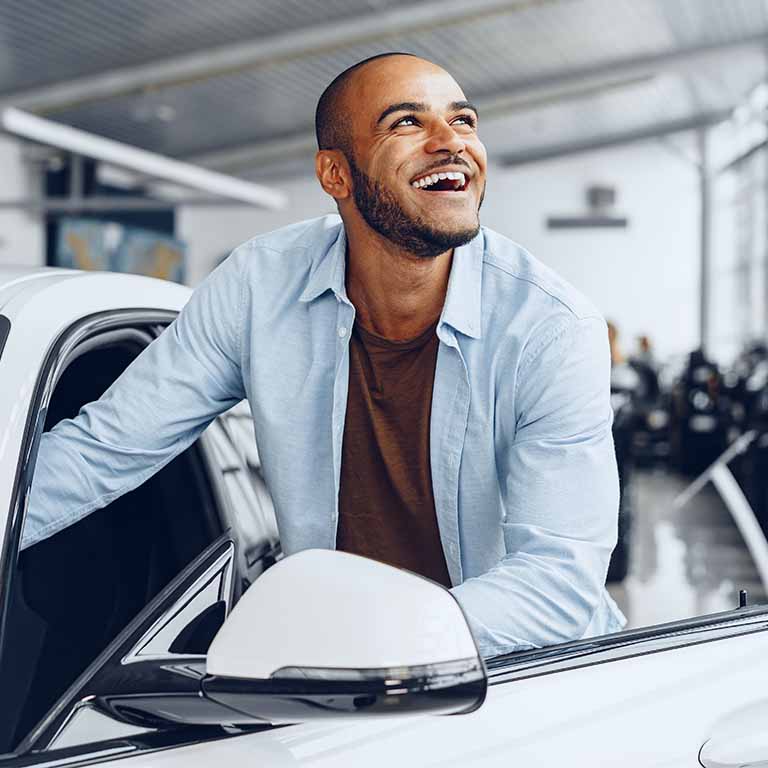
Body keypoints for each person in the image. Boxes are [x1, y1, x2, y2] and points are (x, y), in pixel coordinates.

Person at [22, 53, 624, 657]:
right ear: (335, 175)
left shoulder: (549, 328)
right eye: (407, 123)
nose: (451, 143)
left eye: (463, 120)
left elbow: (558, 583)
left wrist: (356, 644)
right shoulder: (261, 285)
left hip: (520, 674)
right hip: (337, 687)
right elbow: (106, 446)